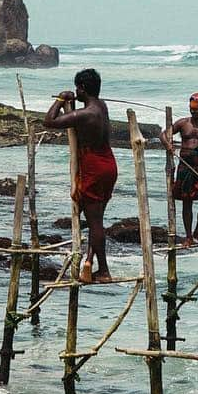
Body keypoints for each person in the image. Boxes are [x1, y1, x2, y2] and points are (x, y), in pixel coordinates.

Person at [44, 68, 117, 284]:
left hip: (94, 167)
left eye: (78, 88)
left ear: (82, 88)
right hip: (108, 164)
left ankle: (103, 270)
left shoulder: (87, 114)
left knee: (94, 222)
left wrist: (60, 99)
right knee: (97, 220)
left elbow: (49, 121)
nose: (76, 91)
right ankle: (89, 262)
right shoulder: (101, 107)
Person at [163, 92, 198, 246]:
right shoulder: (183, 123)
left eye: (197, 110)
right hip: (185, 169)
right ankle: (188, 236)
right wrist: (168, 145)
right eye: (192, 109)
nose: (193, 112)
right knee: (186, 202)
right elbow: (164, 134)